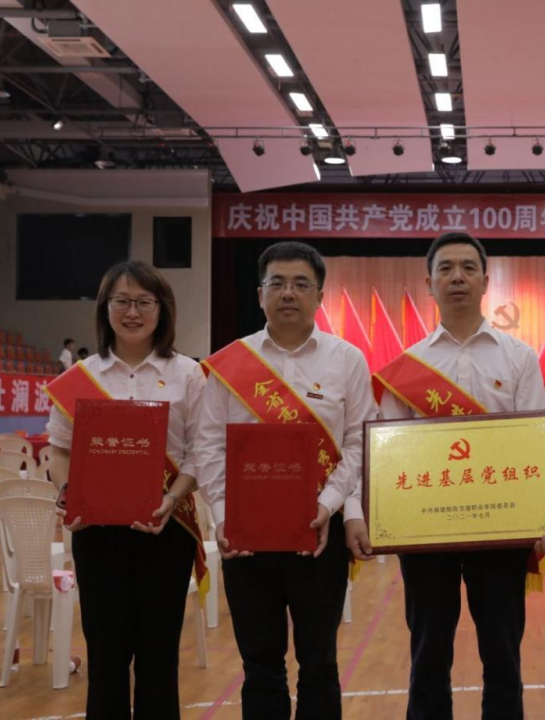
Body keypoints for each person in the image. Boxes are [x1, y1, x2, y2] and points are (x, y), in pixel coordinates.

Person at [349, 232, 545, 720]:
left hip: (501, 525)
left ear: (485, 280)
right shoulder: (407, 368)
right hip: (426, 530)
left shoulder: (519, 357)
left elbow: (537, 443)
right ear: (429, 283)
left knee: (503, 654)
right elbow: (388, 454)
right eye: (445, 269)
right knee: (428, 652)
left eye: (467, 267)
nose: (457, 277)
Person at [195, 241, 376, 720]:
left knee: (319, 664)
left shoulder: (348, 360)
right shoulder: (230, 364)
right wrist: (223, 516)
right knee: (260, 667)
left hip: (319, 535)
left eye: (300, 284)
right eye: (277, 283)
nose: (288, 293)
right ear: (260, 294)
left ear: (319, 296)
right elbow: (208, 446)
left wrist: (329, 504)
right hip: (245, 538)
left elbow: (360, 441)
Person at [44, 261, 206, 719]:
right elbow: (59, 450)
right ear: (105, 308)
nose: (132, 312)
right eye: (121, 301)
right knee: (105, 657)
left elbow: (200, 452)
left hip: (165, 529)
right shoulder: (80, 377)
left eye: (143, 302)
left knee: (159, 657)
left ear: (162, 309)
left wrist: (172, 498)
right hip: (96, 531)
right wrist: (69, 492)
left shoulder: (189, 374)